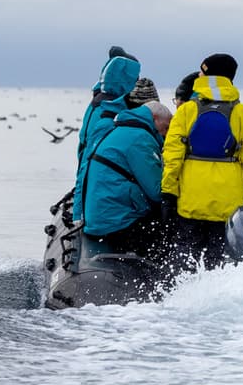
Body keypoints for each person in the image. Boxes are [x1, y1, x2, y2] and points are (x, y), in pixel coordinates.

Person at [160, 54, 243, 262]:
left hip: (191, 201)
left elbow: (172, 156)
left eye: (202, 71)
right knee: (220, 263)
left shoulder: (187, 111)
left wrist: (169, 191)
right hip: (229, 203)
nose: (198, 74)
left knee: (186, 261)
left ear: (207, 76)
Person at [82, 102, 173, 258]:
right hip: (118, 223)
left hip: (99, 218)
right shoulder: (140, 139)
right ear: (154, 118)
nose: (165, 134)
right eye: (165, 128)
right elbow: (157, 192)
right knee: (171, 232)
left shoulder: (120, 130)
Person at [72, 46, 140, 223]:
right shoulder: (108, 112)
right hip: (101, 200)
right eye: (135, 79)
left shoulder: (99, 103)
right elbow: (89, 160)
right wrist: (79, 213)